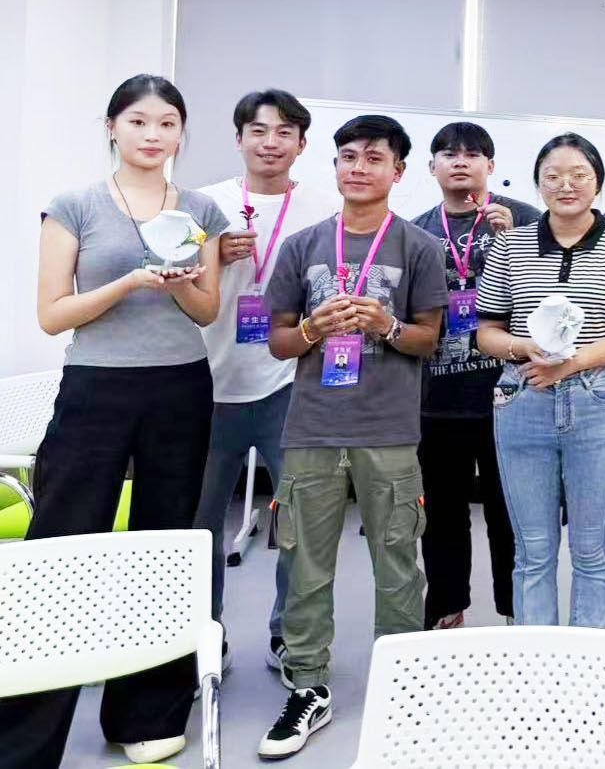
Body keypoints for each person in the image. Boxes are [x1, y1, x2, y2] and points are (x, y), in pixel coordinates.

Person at [3, 75, 227, 768]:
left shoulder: (200, 209)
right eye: (138, 121)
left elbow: (207, 310)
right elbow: (52, 314)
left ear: (181, 133)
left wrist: (181, 282)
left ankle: (147, 712)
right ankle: (24, 733)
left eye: (167, 123)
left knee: (165, 543)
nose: (153, 135)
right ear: (112, 127)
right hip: (95, 388)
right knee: (60, 545)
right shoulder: (74, 205)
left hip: (180, 387)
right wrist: (129, 281)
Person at [258, 115, 448, 759]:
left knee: (397, 564)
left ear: (398, 171)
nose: (358, 167)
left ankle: (405, 683)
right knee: (305, 565)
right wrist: (314, 329)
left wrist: (385, 325)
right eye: (348, 156)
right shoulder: (303, 245)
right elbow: (278, 341)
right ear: (334, 166)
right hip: (312, 427)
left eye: (374, 158)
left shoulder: (420, 247)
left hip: (388, 430)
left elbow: (430, 339)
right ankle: (307, 686)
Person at [474, 134, 605, 627]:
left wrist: (572, 363)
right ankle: (537, 660)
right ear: (538, 184)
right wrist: (523, 347)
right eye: (552, 176)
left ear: (598, 182)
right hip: (523, 396)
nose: (566, 185)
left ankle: (587, 661)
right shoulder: (510, 245)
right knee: (532, 549)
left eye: (579, 175)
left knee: (592, 548)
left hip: (598, 399)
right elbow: (486, 332)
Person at [193, 89, 337, 677]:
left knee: (299, 520)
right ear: (238, 139)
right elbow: (175, 284)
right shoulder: (204, 204)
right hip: (208, 382)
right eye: (258, 131)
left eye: (284, 133)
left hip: (290, 382)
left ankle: (289, 634)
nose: (270, 143)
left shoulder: (325, 207)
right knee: (200, 527)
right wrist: (213, 258)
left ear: (301, 145)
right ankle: (204, 637)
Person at [410, 122, 541, 631]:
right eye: (448, 154)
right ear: (432, 167)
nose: (460, 161)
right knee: (442, 513)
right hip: (437, 396)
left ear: (491, 165)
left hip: (511, 393)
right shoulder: (417, 229)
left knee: (511, 513)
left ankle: (515, 610)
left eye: (472, 154)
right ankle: (447, 605)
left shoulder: (526, 220)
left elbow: (549, 297)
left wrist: (514, 242)